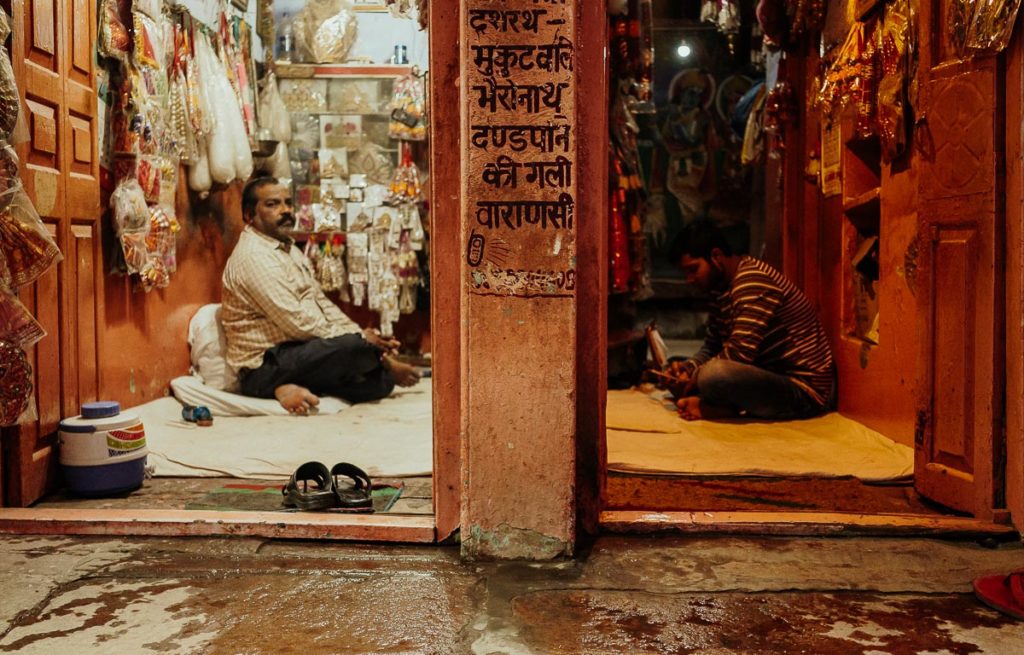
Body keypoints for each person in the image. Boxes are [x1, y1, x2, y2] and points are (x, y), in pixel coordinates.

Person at [221, 176, 420, 415]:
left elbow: (322, 304)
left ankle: (288, 387)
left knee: (380, 383)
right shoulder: (254, 257)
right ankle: (273, 386)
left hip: (298, 353)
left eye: (287, 202)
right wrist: (362, 341)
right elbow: (297, 321)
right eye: (272, 204)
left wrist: (361, 337)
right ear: (248, 215)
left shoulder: (288, 249)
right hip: (264, 365)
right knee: (353, 347)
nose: (285, 210)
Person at [663, 220, 835, 421]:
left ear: (716, 256)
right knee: (701, 372)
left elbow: (739, 354)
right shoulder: (720, 290)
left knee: (713, 374)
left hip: (805, 392)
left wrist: (693, 380)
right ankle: (720, 406)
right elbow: (712, 348)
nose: (689, 279)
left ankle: (720, 407)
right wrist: (687, 369)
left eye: (693, 269)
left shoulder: (751, 280)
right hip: (770, 380)